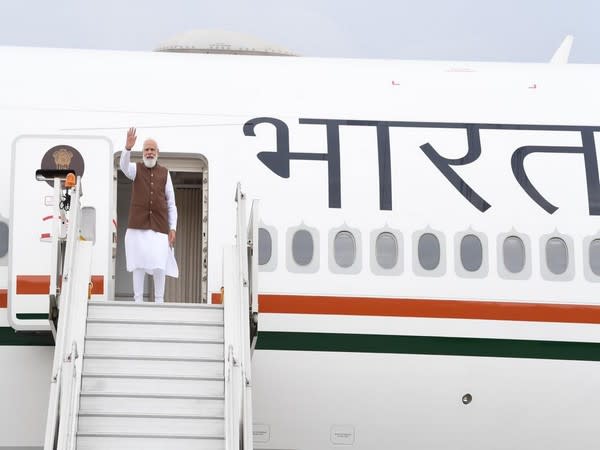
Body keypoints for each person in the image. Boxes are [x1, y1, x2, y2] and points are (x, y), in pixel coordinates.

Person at [120, 127, 178, 303]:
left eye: (152, 149)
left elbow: (171, 203)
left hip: (160, 228)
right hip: (138, 226)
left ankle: (159, 301)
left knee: (160, 264)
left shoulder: (165, 173)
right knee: (138, 263)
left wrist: (173, 228)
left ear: (157, 152)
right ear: (142, 153)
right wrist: (127, 148)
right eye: (146, 149)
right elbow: (123, 166)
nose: (150, 152)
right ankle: (138, 301)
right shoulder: (135, 169)